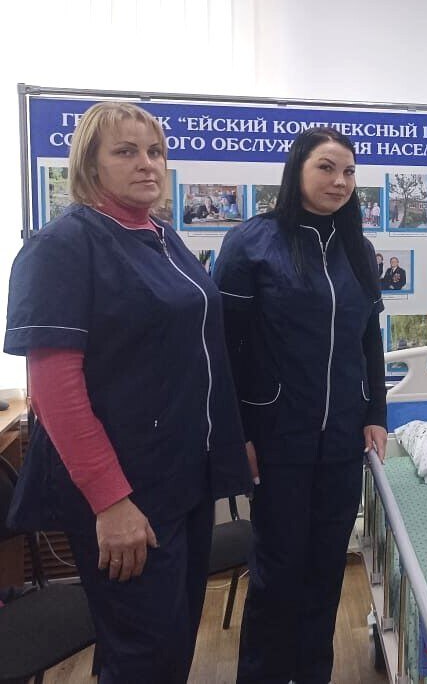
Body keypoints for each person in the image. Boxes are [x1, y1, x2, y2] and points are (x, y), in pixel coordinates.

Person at [4, 101, 250, 683]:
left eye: (155, 151)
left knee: (172, 644)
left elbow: (196, 358)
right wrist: (110, 502)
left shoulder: (161, 236)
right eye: (126, 151)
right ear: (89, 164)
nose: (148, 163)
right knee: (143, 656)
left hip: (181, 480)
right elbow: (55, 390)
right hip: (124, 492)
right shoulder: (63, 246)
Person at [214, 126, 388, 684]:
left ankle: (313, 673)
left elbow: (369, 339)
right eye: (326, 168)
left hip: (341, 439)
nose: (340, 181)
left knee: (326, 570)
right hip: (276, 436)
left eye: (349, 171)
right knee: (278, 571)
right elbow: (226, 347)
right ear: (298, 170)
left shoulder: (358, 248)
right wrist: (238, 433)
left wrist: (376, 413)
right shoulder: (252, 242)